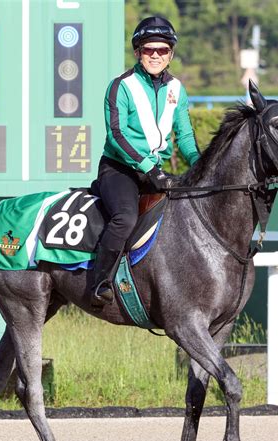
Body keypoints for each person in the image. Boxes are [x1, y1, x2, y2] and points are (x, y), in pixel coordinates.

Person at [90, 16, 201, 308]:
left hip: (155, 172)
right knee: (124, 217)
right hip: (120, 169)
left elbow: (185, 136)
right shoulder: (120, 86)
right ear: (138, 52)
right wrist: (147, 167)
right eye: (149, 49)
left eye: (162, 50)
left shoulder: (178, 89)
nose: (155, 55)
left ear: (170, 54)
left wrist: (201, 166)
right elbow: (117, 135)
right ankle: (99, 283)